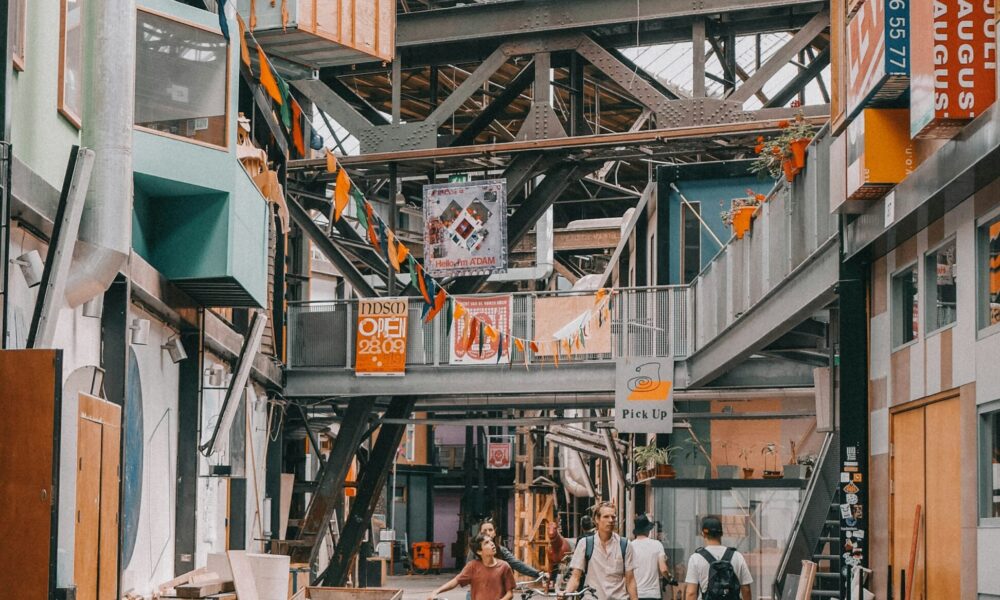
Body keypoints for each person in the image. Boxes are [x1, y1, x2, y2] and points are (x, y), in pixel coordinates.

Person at [562, 502, 639, 600]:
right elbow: (575, 577)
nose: (611, 520)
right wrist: (566, 593)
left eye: (613, 517)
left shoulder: (625, 544)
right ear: (596, 520)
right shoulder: (585, 544)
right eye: (606, 517)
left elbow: (630, 580)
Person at [683, 516, 752, 600]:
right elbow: (746, 590)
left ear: (703, 534)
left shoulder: (696, 558)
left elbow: (691, 593)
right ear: (721, 534)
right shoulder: (737, 556)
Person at [430, 534, 516, 600]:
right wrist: (436, 591)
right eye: (486, 543)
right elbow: (456, 581)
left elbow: (510, 593)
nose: (492, 544)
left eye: (491, 541)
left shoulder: (504, 566)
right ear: (479, 551)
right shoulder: (472, 566)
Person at [466, 518, 544, 579]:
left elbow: (517, 564)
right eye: (484, 530)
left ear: (495, 532)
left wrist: (537, 573)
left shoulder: (501, 550)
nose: (488, 533)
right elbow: (468, 570)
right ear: (480, 533)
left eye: (490, 530)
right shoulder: (475, 550)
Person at [630, 514, 671, 600]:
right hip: (653, 595)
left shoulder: (630, 546)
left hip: (635, 594)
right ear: (648, 530)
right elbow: (663, 569)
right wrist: (670, 578)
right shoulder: (657, 545)